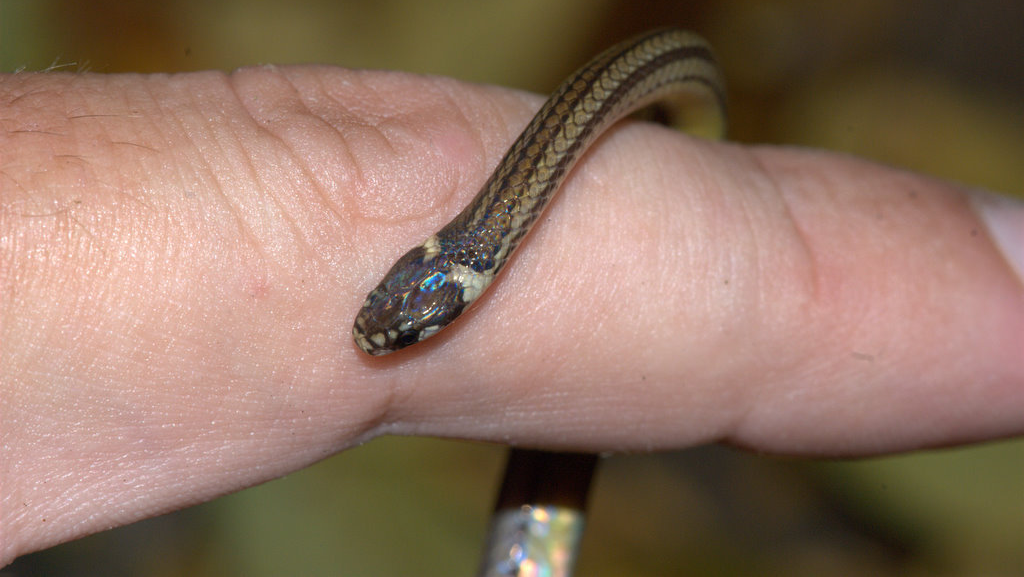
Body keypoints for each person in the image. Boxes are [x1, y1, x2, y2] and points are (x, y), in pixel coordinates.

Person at [1, 66, 1021, 564]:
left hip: (670, 85)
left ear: (454, 291)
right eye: (387, 315)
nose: (380, 332)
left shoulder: (487, 242)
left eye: (399, 327)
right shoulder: (463, 250)